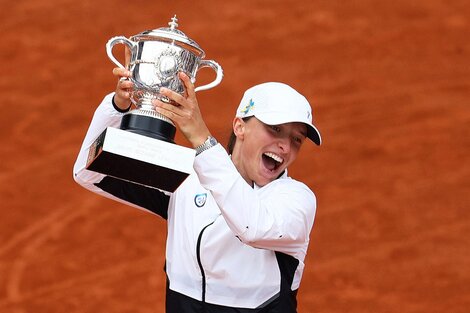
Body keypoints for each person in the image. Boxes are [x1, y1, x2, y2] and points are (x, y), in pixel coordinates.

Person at [73, 67, 322, 312]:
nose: (285, 147)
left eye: (296, 139)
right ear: (240, 126)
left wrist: (202, 141)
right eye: (275, 129)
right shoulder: (187, 177)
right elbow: (90, 171)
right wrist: (117, 107)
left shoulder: (295, 201)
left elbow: (252, 227)